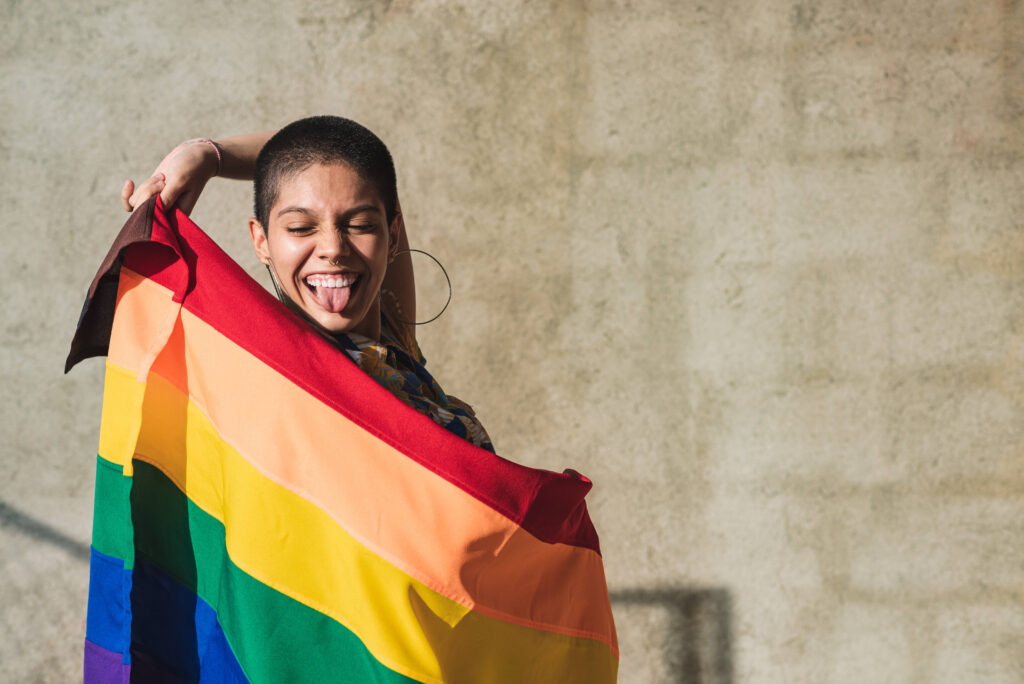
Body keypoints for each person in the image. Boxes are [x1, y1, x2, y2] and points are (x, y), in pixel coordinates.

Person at [123, 116, 493, 451]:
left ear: (392, 236)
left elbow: (347, 150)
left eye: (361, 224)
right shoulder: (274, 382)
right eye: (301, 228)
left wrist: (207, 155)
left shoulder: (394, 347)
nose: (334, 249)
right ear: (261, 241)